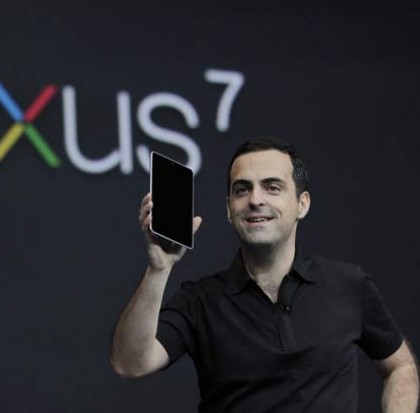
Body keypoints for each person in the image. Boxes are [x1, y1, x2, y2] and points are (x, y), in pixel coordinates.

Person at [110, 137, 419, 412]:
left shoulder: (348, 284)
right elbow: (130, 363)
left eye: (272, 187)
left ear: (302, 204)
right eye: (242, 189)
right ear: (229, 209)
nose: (255, 199)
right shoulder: (200, 300)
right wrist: (159, 269)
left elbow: (400, 366)